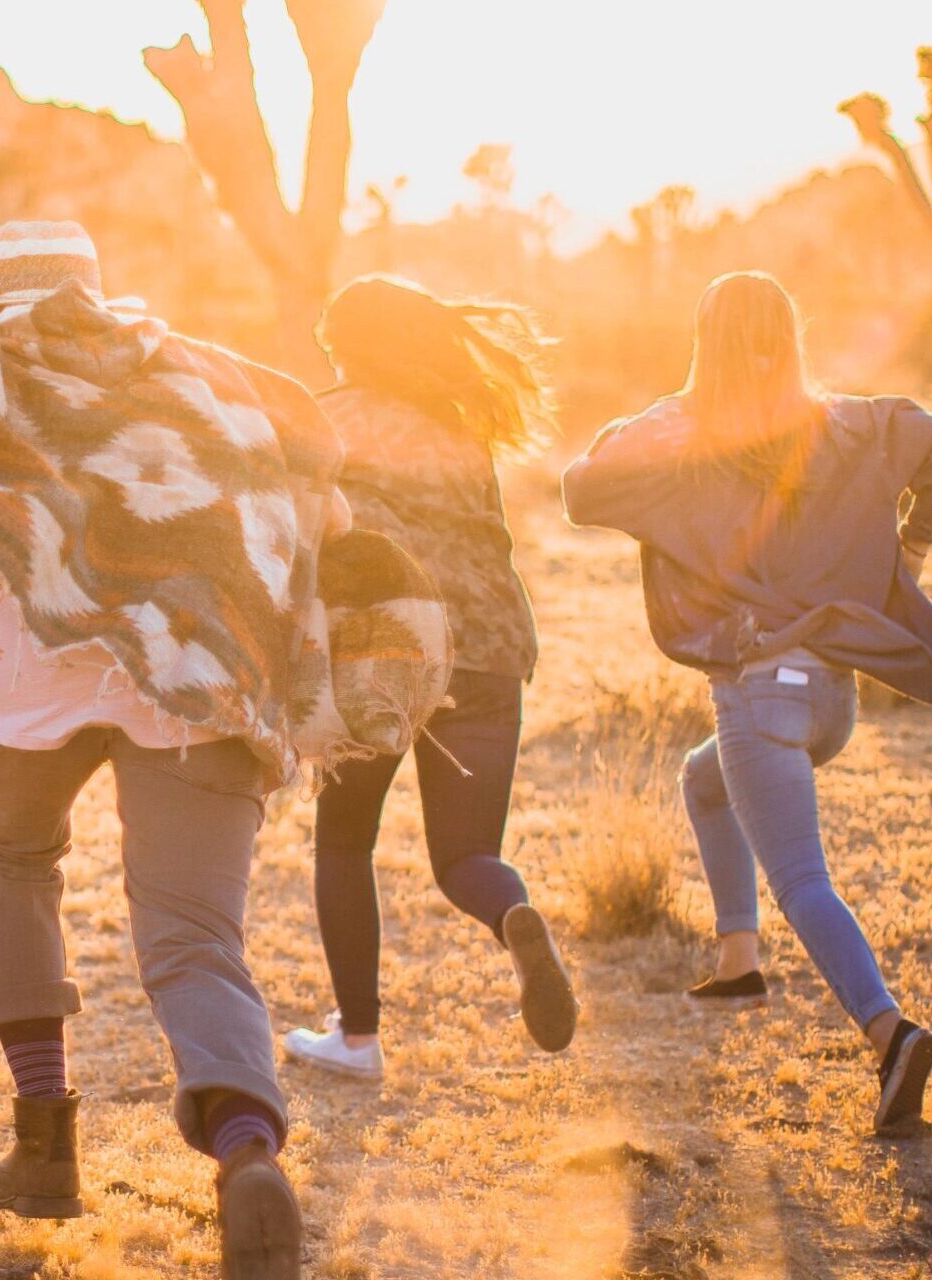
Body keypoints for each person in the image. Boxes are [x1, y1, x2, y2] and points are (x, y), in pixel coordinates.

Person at [0, 220, 414, 1280]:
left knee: (13, 861)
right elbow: (324, 506)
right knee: (195, 936)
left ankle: (44, 1146)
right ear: (95, 291)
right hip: (195, 659)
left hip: (27, 660)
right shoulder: (200, 376)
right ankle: (246, 1152)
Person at [562, 270, 932, 1136]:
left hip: (760, 695)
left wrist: (663, 410)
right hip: (831, 699)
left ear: (704, 345)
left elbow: (581, 485)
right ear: (789, 338)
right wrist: (913, 548)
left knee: (802, 879)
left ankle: (891, 1035)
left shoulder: (685, 432)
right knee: (703, 780)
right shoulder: (848, 420)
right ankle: (739, 959)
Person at [280, 277, 577, 1081]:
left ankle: (358, 1040)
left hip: (386, 652)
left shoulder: (325, 419)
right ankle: (512, 913)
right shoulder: (461, 429)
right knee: (466, 856)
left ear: (351, 346)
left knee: (346, 841)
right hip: (490, 648)